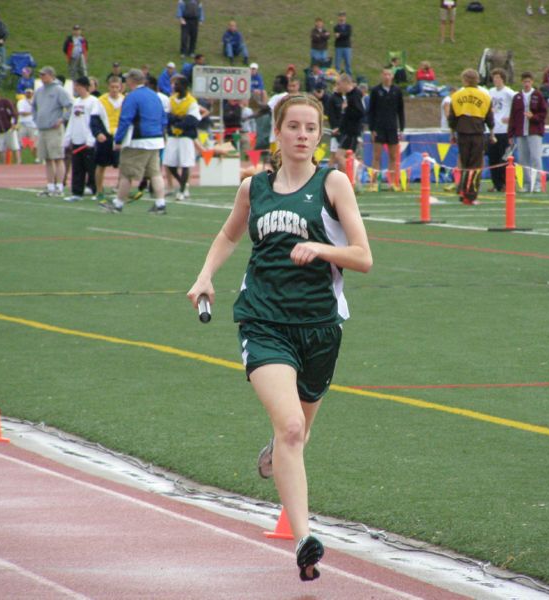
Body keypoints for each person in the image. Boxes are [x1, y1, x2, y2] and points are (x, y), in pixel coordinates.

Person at [186, 93, 372, 583]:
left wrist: (319, 247)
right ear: (278, 132)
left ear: (320, 134)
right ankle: (304, 539)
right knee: (292, 428)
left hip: (320, 326)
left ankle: (276, 448)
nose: (303, 135)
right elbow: (229, 236)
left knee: (298, 433)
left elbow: (363, 256)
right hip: (263, 321)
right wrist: (205, 275)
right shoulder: (255, 188)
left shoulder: (333, 182)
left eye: (311, 127)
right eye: (294, 126)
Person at [99, 69, 167, 215]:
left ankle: (118, 204)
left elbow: (125, 119)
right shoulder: (154, 95)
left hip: (139, 140)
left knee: (126, 173)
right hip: (156, 139)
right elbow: (163, 118)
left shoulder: (132, 97)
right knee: (155, 173)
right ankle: (160, 204)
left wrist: (118, 140)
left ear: (132, 80)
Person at [449, 68, 494, 205]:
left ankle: (462, 191)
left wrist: (452, 133)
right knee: (475, 167)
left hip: (462, 133)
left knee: (464, 163)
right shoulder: (485, 96)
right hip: (477, 133)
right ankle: (471, 195)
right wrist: (492, 134)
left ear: (465, 80)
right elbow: (490, 119)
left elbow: (452, 118)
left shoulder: (456, 96)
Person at [32, 66, 73, 197]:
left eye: (44, 75)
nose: (42, 77)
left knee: (58, 157)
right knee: (48, 158)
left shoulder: (59, 90)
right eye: (41, 75)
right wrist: (36, 119)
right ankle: (50, 186)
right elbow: (34, 107)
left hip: (54, 129)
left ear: (51, 75)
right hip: (42, 129)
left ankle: (59, 186)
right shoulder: (39, 91)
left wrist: (62, 119)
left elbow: (70, 106)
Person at [63, 77, 103, 201]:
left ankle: (96, 190)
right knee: (77, 168)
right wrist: (68, 137)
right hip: (77, 140)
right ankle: (77, 192)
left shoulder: (93, 101)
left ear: (85, 87)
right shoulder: (76, 102)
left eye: (78, 86)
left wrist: (91, 138)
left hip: (89, 142)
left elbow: (95, 121)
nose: (76, 88)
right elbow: (72, 121)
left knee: (91, 168)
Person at [507, 71, 547, 193]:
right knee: (523, 159)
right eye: (524, 81)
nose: (526, 84)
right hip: (520, 132)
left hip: (534, 131)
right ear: (521, 82)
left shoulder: (537, 95)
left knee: (536, 157)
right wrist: (510, 134)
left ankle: (538, 183)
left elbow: (543, 113)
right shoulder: (517, 97)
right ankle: (527, 183)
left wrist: (533, 117)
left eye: (528, 81)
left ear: (532, 82)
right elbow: (513, 116)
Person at [165, 75, 201, 201]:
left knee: (186, 164)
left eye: (177, 84)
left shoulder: (191, 101)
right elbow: (167, 116)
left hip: (185, 136)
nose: (174, 86)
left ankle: (181, 191)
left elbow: (192, 120)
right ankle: (183, 184)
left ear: (184, 86)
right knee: (169, 163)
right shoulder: (172, 99)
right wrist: (178, 118)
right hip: (173, 136)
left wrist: (178, 121)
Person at [368, 68, 405, 191]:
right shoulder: (375, 91)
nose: (387, 76)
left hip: (392, 127)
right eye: (384, 74)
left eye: (389, 74)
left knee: (393, 156)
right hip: (379, 127)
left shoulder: (397, 91)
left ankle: (393, 183)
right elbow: (371, 111)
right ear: (381, 75)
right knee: (377, 156)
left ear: (392, 76)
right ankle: (374, 183)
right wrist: (372, 128)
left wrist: (402, 128)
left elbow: (401, 111)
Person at [95, 76, 124, 201]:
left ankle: (121, 189)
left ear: (121, 87)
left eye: (117, 87)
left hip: (120, 136)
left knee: (123, 165)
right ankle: (99, 190)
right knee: (101, 165)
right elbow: (95, 119)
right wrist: (98, 133)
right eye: (112, 87)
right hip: (106, 136)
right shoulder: (101, 100)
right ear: (108, 87)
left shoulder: (125, 100)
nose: (114, 90)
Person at [487, 68, 516, 192]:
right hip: (493, 130)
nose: (496, 80)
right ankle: (496, 183)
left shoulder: (509, 92)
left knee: (503, 158)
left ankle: (504, 183)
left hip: (504, 130)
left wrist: (512, 118)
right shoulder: (490, 92)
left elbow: (520, 106)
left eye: (498, 78)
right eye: (494, 78)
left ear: (503, 79)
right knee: (492, 158)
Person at [332, 73, 364, 175]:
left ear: (345, 83)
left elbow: (360, 112)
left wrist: (347, 108)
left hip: (351, 132)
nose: (338, 87)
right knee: (350, 157)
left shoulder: (354, 95)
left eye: (339, 84)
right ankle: (354, 181)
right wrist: (340, 128)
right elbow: (346, 116)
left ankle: (350, 177)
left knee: (339, 156)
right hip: (347, 130)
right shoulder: (349, 96)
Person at [0, 89, 21, 164]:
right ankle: (1, 163)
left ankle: (18, 162)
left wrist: (14, 123)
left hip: (9, 128)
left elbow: (13, 113)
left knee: (14, 146)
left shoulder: (5, 102)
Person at [17, 88, 39, 161]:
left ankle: (37, 158)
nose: (28, 94)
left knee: (34, 144)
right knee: (20, 143)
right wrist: (32, 112)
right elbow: (22, 113)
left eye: (30, 93)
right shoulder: (21, 102)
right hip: (23, 125)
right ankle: (19, 160)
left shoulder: (36, 102)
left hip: (33, 126)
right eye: (27, 93)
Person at [333, 11, 352, 75]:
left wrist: (340, 34)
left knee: (348, 63)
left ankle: (349, 77)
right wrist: (342, 34)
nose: (342, 18)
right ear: (338, 18)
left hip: (347, 47)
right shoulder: (336, 27)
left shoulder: (349, 26)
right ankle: (336, 78)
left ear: (345, 18)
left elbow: (348, 35)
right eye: (340, 16)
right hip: (338, 47)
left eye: (343, 16)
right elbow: (338, 36)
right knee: (337, 63)